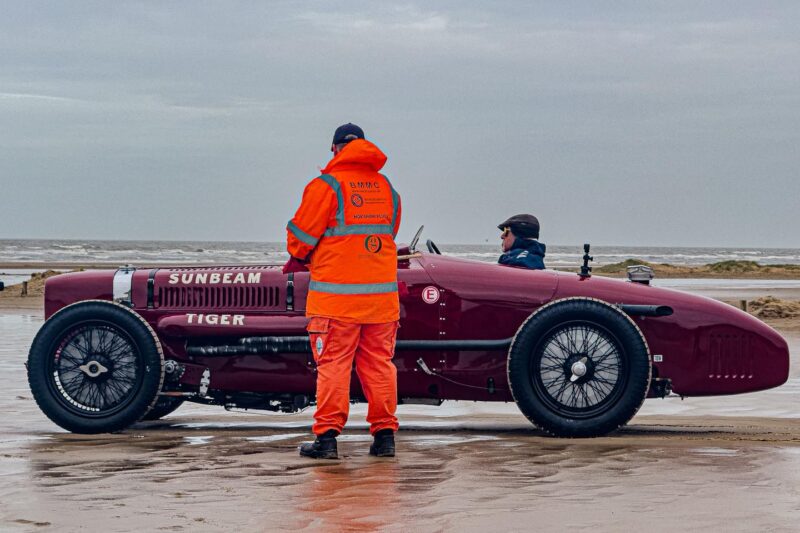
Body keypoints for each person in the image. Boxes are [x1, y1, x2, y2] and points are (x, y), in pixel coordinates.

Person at [285, 123, 401, 460]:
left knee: (333, 366)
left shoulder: (326, 186)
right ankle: (384, 439)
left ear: (336, 149)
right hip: (381, 302)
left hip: (336, 301)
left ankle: (327, 441)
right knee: (380, 366)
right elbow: (388, 232)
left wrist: (302, 254)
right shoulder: (387, 189)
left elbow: (300, 239)